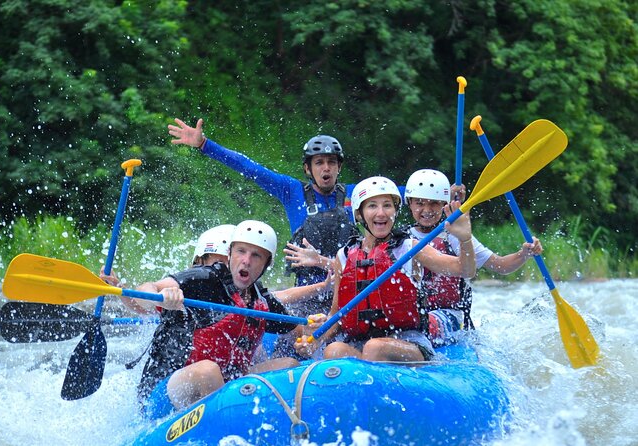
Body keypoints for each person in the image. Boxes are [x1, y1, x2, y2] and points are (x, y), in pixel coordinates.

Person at [104, 220, 303, 420]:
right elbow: (147, 290)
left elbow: (298, 332)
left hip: (225, 382)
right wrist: (162, 297)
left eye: (256, 255)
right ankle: (225, 425)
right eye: (241, 252)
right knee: (208, 371)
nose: (246, 261)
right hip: (169, 389)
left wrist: (310, 339)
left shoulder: (262, 301)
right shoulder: (204, 280)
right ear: (230, 253)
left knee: (288, 365)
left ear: (266, 264)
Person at [168, 118, 354, 317]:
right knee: (294, 341)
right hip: (307, 296)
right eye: (319, 162)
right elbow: (249, 167)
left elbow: (389, 194)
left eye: (331, 162)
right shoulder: (292, 191)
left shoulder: (357, 195)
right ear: (308, 169)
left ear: (339, 167)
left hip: (350, 292)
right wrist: (205, 144)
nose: (326, 168)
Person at [293, 176, 476, 363]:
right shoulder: (345, 256)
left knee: (375, 348)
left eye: (387, 205)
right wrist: (316, 339)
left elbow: (465, 270)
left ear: (395, 211)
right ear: (359, 214)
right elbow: (337, 315)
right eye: (372, 206)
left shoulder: (410, 247)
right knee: (334, 350)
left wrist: (465, 239)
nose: (381, 213)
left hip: (409, 342)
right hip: (361, 343)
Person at [403, 169, 543, 342]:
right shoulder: (401, 238)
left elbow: (501, 266)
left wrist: (524, 254)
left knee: (423, 325)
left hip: (449, 316)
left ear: (444, 205)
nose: (427, 209)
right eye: (420, 203)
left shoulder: (455, 236)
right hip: (411, 314)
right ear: (409, 203)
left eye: (434, 203)